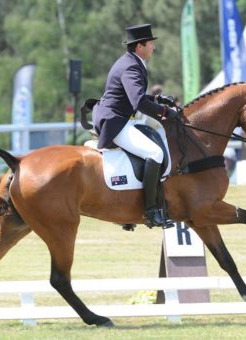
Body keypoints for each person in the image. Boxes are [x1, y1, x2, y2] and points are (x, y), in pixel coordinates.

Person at [92, 24, 178, 227]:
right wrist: (165, 113)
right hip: (115, 122)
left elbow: (134, 95)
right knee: (155, 154)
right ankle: (150, 211)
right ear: (140, 46)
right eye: (150, 44)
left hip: (117, 116)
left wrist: (157, 100)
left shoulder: (130, 61)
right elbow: (138, 102)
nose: (153, 48)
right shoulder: (131, 66)